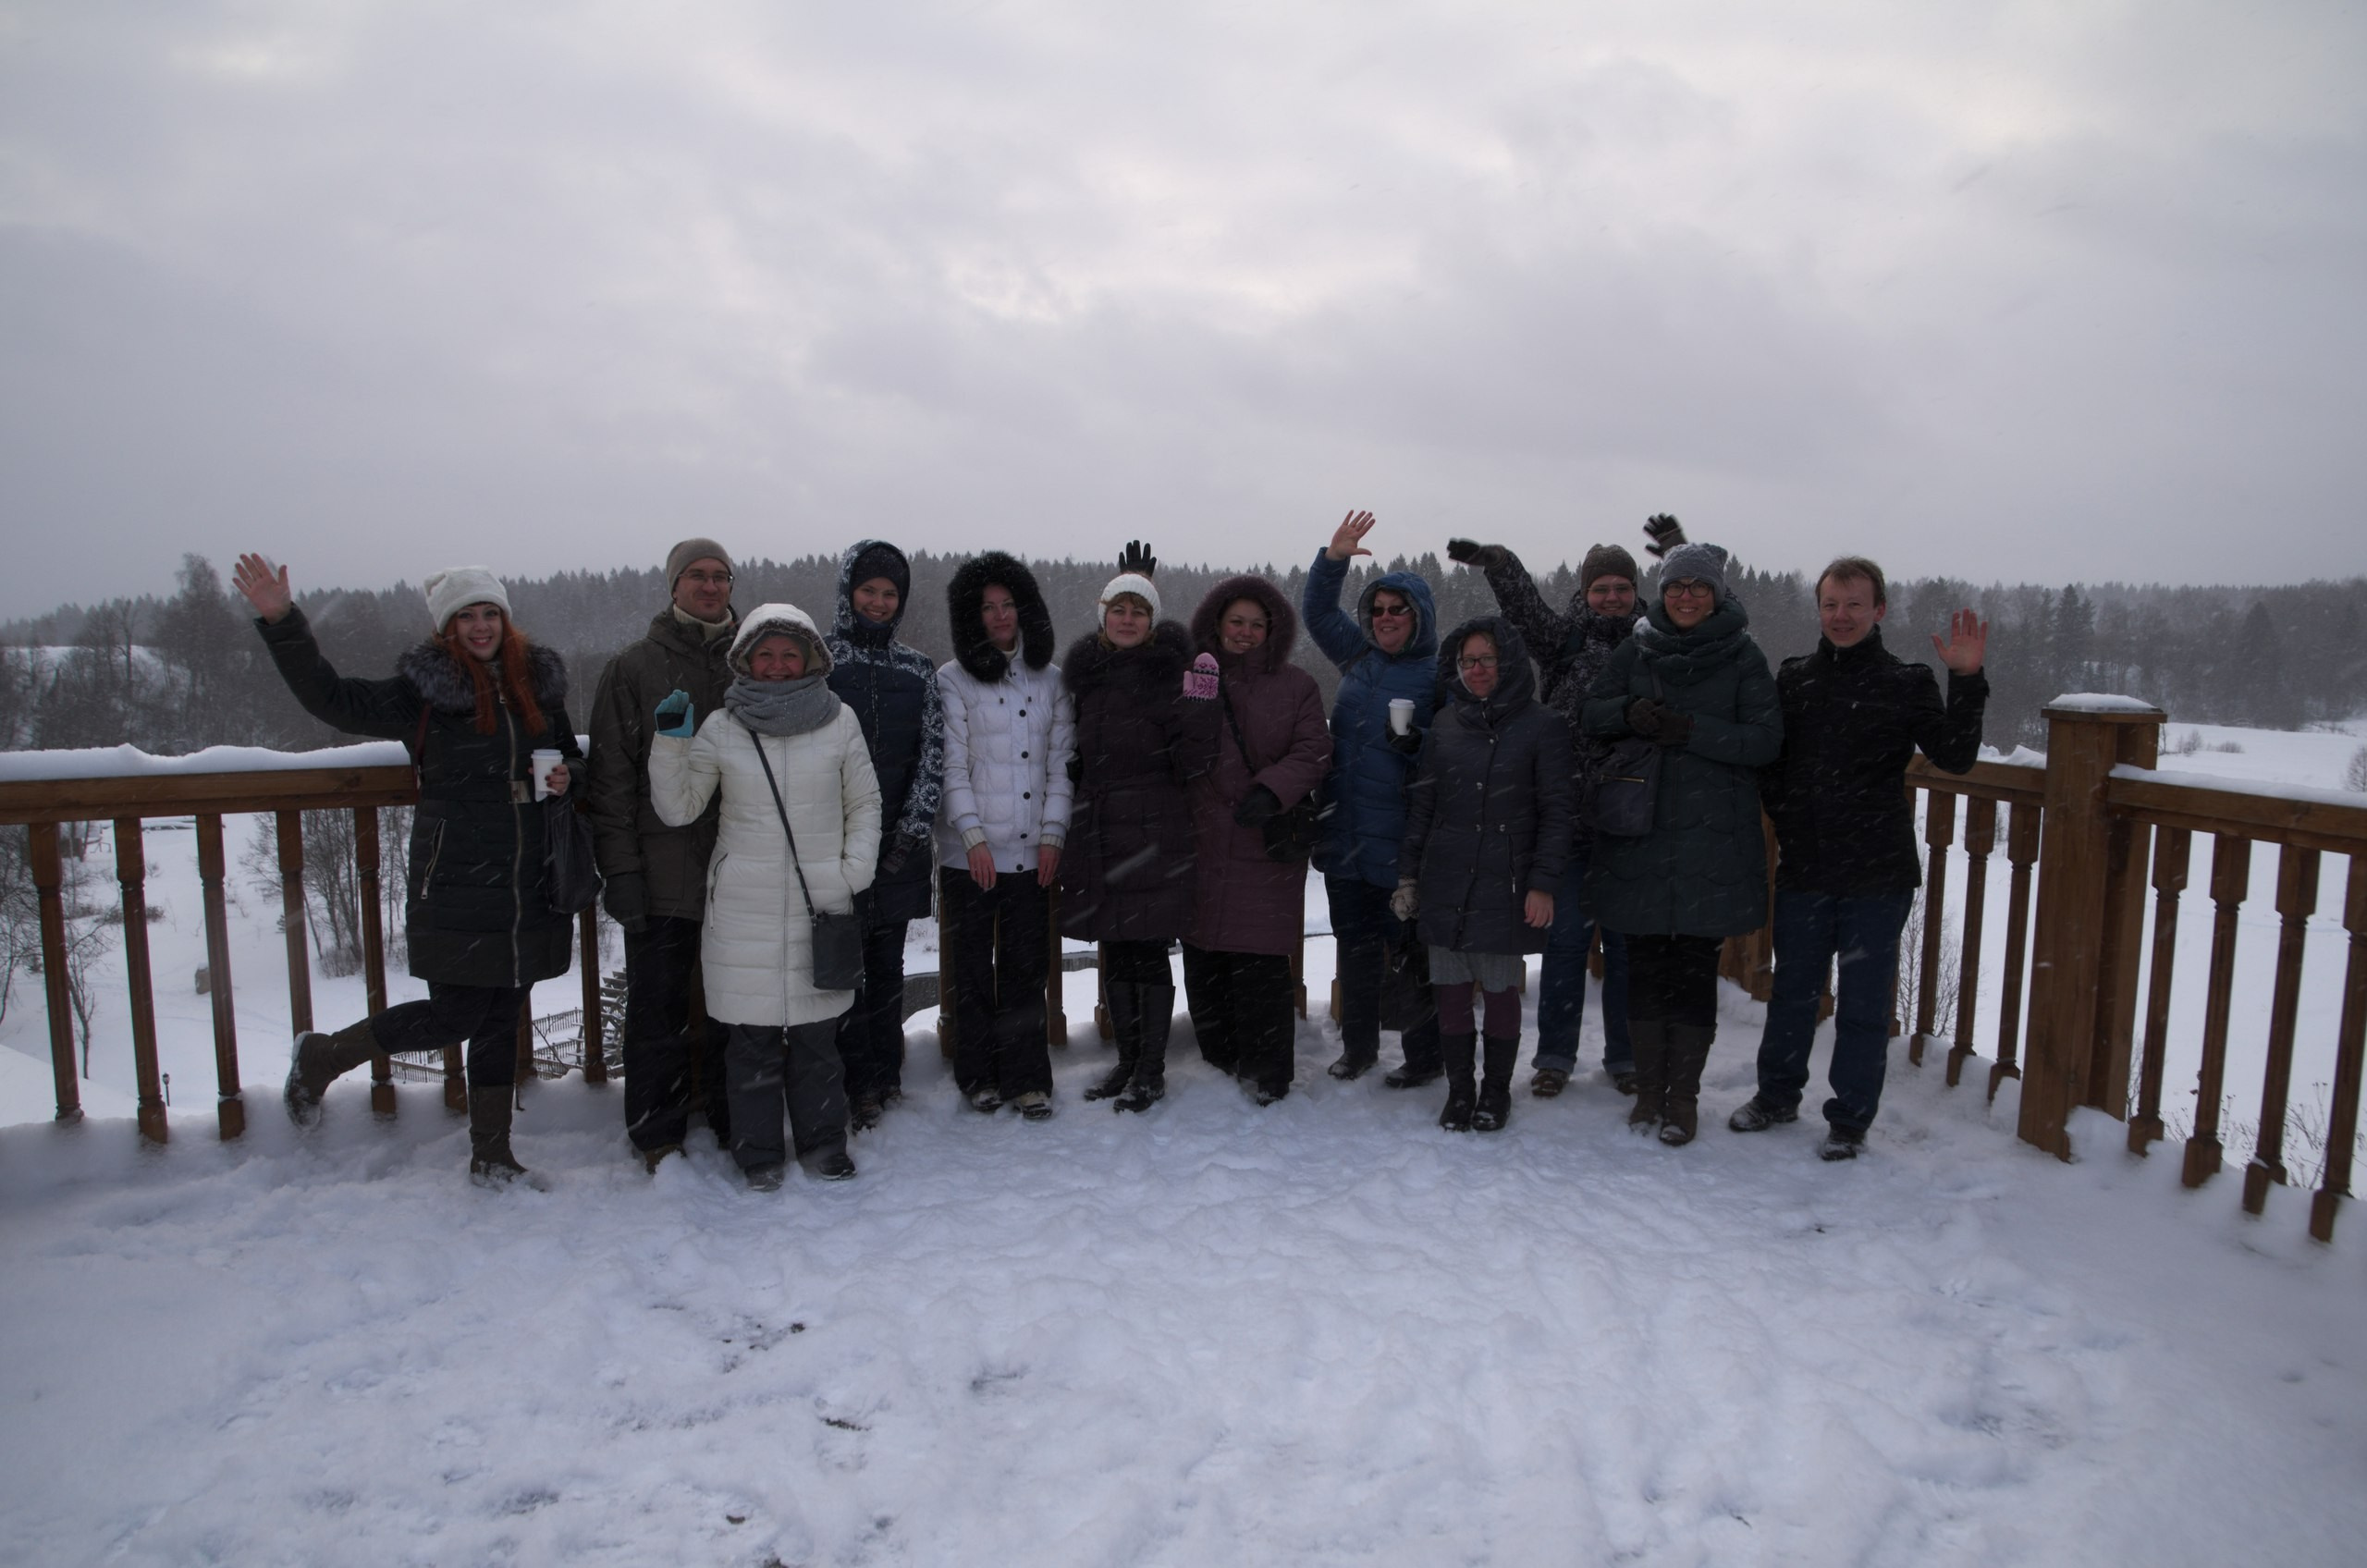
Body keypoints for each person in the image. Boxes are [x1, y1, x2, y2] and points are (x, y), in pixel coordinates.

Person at [234, 554, 581, 1185]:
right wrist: (283, 622)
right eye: (466, 617)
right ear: (447, 628)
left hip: (528, 876)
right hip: (455, 877)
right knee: (457, 1016)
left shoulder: (536, 683)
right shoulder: (423, 692)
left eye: (490, 613)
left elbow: (564, 752)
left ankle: (492, 1155)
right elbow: (331, 697)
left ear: (506, 619)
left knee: (502, 1015)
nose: (481, 627)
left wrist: (566, 774)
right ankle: (323, 1056)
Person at [1728, 558, 1990, 1160]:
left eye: (1853, 604)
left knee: (1864, 1005)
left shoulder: (1906, 681)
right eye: (1830, 604)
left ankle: (1849, 1119)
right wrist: (1789, 814)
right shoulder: (1795, 679)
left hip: (1878, 872)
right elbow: (1772, 761)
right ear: (1818, 610)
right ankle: (1776, 1096)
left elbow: (1954, 755)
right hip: (1807, 867)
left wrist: (1967, 679)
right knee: (1792, 992)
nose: (1840, 616)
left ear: (1879, 610)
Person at [646, 605, 880, 1189]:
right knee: (750, 1041)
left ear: (811, 659)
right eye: (765, 654)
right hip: (741, 908)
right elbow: (679, 808)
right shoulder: (722, 727)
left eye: (789, 654)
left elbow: (864, 802)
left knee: (818, 1038)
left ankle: (824, 1145)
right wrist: (671, 741)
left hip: (820, 900)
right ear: (745, 661)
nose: (777, 665)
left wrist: (852, 873)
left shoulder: (840, 721)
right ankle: (758, 1155)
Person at [1583, 537, 1782, 1145]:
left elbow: (1765, 741)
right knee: (1644, 968)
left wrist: (1691, 730)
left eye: (1697, 587)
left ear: (1716, 594)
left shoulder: (1743, 656)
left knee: (1694, 972)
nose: (1686, 596)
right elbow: (1591, 714)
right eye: (1675, 586)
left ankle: (1683, 1098)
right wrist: (1628, 713)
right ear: (1662, 592)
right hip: (1641, 836)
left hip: (1710, 841)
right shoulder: (1638, 647)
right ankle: (1650, 1091)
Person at [1446, 529, 1647, 1098]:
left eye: (1622, 588)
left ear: (1637, 591)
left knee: (1628, 949)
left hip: (1635, 823)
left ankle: (1626, 1057)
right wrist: (1500, 563)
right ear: (1585, 593)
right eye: (1601, 588)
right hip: (1573, 822)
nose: (1611, 598)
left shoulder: (1655, 640)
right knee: (1564, 945)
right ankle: (1555, 1056)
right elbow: (1527, 612)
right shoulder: (1566, 639)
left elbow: (1714, 618)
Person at [586, 538, 741, 1172]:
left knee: (736, 1006)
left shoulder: (755, 659)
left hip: (741, 870)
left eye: (720, 576)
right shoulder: (635, 667)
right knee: (657, 1009)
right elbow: (610, 781)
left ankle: (734, 1119)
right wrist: (621, 869)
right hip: (661, 872)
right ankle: (657, 1134)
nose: (709, 586)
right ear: (673, 586)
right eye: (696, 575)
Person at [1395, 618, 1574, 1132]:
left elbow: (1558, 812)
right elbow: (1424, 806)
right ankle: (1460, 1092)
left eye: (1488, 659)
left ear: (1509, 662)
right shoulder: (1446, 723)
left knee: (1499, 991)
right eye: (1468, 661)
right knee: (1451, 991)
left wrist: (1543, 883)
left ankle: (1496, 1092)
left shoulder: (1543, 725)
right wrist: (1409, 877)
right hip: (1446, 875)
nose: (1477, 670)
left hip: (1507, 880)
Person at [1059, 545, 1220, 1111]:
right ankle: (1127, 1060)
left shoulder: (1172, 673)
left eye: (1139, 611)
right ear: (1103, 616)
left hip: (1154, 827)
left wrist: (1201, 704)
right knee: (1115, 950)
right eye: (1119, 610)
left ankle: (1150, 1069)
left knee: (1147, 950)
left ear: (1153, 622)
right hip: (1101, 828)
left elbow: (1195, 759)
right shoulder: (1088, 678)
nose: (1127, 620)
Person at [1302, 510, 1444, 1087]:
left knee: (1410, 955)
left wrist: (1418, 743)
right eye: (1378, 610)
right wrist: (1333, 559)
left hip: (1401, 845)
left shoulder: (1439, 676)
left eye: (1396, 610)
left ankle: (1425, 1057)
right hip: (1346, 837)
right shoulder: (1358, 657)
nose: (1385, 618)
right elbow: (1317, 613)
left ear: (1419, 616)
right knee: (1354, 951)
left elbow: (1458, 751)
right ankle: (1358, 1049)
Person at [936, 552, 1075, 1119]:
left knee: (1024, 970)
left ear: (1025, 609)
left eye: (1008, 604)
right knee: (971, 972)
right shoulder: (951, 679)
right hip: (967, 856)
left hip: (1031, 853)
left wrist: (1053, 833)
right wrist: (971, 837)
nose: (999, 616)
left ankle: (1027, 1079)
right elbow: (951, 766)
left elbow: (1061, 764)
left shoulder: (1052, 680)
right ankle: (978, 1076)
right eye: (987, 607)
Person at [1183, 574, 1331, 1105]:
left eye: (1256, 625)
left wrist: (1273, 790)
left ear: (1273, 631)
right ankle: (1218, 1064)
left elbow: (1315, 748)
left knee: (1261, 965)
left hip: (1263, 845)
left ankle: (1268, 1073)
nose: (1244, 633)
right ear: (1217, 625)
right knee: (1204, 956)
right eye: (1236, 622)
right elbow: (1176, 742)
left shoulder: (1296, 686)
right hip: (1202, 842)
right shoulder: (1196, 678)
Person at [822, 540, 945, 1132]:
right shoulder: (818, 660)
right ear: (848, 593)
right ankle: (855, 1083)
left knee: (887, 966)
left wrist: (912, 829)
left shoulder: (917, 668)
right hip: (835, 847)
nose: (878, 602)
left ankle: (886, 1075)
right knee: (842, 970)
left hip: (899, 848)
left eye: (889, 593)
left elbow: (933, 754)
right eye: (868, 590)